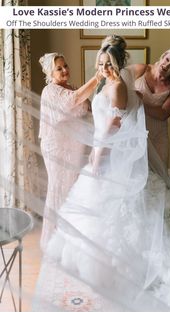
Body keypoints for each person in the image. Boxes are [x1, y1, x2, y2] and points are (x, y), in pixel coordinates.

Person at [34, 36, 170, 312]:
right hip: (109, 151)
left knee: (123, 213)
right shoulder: (121, 78)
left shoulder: (118, 87)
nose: (104, 67)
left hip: (109, 153)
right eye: (101, 63)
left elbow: (113, 128)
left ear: (118, 64)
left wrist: (97, 158)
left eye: (109, 63)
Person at [39, 52, 102, 250]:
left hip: (74, 145)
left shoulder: (73, 87)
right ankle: (54, 242)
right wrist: (97, 77)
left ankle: (70, 241)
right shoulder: (50, 91)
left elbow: (89, 109)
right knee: (59, 189)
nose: (65, 70)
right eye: (59, 68)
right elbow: (72, 101)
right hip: (57, 147)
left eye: (65, 65)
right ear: (50, 72)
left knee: (72, 190)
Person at [130, 48, 170, 168]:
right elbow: (118, 81)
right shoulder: (141, 69)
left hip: (157, 137)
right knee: (134, 176)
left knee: (158, 177)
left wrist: (137, 101)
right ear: (163, 56)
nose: (166, 65)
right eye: (167, 59)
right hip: (133, 134)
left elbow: (163, 114)